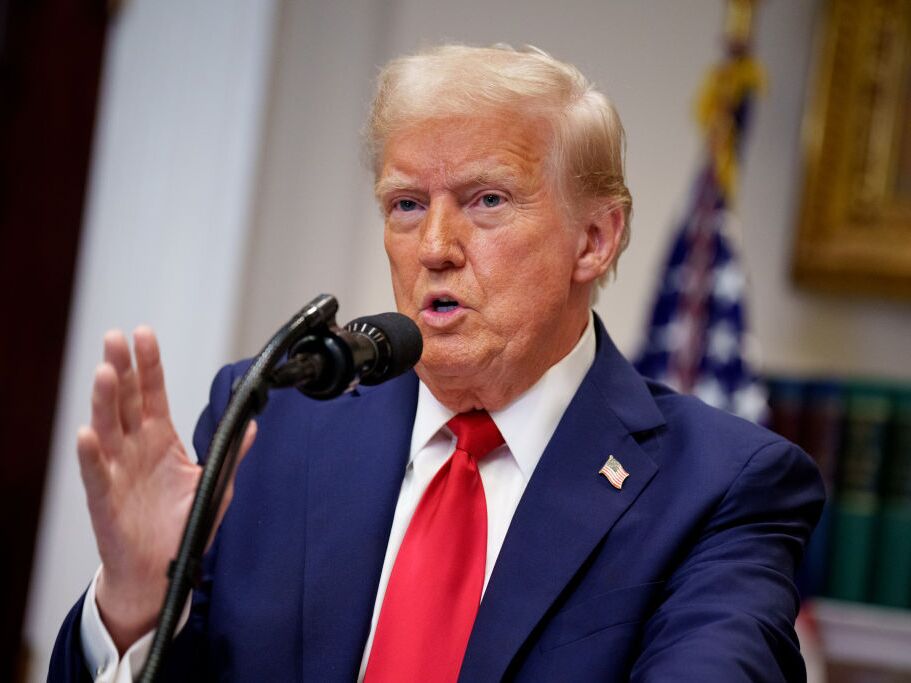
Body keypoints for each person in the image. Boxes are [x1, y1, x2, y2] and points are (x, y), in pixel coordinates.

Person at [50, 44, 824, 682]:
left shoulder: (723, 486)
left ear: (594, 239)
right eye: (406, 204)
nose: (435, 248)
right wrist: (137, 603)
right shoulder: (269, 420)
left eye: (487, 200)